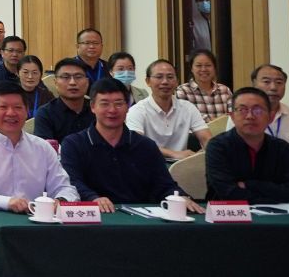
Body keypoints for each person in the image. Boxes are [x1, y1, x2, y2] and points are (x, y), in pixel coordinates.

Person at [60, 78, 197, 212]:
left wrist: (180, 197)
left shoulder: (145, 146)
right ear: (92, 107)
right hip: (95, 215)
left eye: (119, 104)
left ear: (128, 106)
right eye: (105, 104)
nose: (112, 110)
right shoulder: (74, 144)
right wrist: (92, 198)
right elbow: (72, 182)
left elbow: (164, 184)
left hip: (141, 218)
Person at [0, 88, 78, 211]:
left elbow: (65, 188)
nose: (11, 113)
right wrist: (6, 202)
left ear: (27, 111)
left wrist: (61, 200)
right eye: (3, 107)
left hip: (34, 220)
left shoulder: (42, 148)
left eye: (18, 107)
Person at [203, 87, 289, 203]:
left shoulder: (282, 148)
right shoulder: (218, 146)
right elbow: (228, 193)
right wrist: (271, 193)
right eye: (242, 110)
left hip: (277, 212)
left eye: (258, 110)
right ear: (232, 116)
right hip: (228, 212)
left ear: (270, 117)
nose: (250, 116)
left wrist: (250, 184)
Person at [125, 58, 212, 159]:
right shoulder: (137, 110)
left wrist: (206, 152)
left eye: (170, 77)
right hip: (149, 164)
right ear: (148, 81)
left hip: (181, 165)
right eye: (159, 77)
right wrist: (173, 153)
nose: (165, 82)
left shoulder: (188, 108)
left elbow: (206, 138)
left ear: (177, 82)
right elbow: (136, 144)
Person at [29, 57, 95, 140]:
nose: (72, 82)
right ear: (56, 83)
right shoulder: (45, 113)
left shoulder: (98, 109)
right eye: (65, 77)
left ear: (87, 82)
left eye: (78, 77)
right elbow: (44, 147)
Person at [176, 49, 233, 120]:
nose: (203, 69)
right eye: (198, 65)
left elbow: (233, 116)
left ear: (214, 68)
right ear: (191, 69)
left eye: (208, 65)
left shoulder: (225, 90)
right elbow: (184, 117)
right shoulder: (183, 91)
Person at [255, 63, 288, 139]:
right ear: (254, 84)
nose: (273, 87)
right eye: (266, 81)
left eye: (279, 82)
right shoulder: (240, 114)